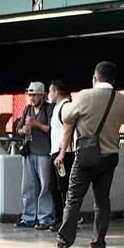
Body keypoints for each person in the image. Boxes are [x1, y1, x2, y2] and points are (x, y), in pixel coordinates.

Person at [50, 61, 124, 248]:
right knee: (102, 200)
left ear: (95, 77)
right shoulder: (121, 99)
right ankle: (99, 243)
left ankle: (63, 242)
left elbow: (66, 115)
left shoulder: (85, 95)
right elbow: (121, 120)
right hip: (110, 156)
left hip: (86, 156)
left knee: (73, 198)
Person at [16, 81, 54, 230]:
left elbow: (51, 129)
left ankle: (44, 217)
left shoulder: (49, 109)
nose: (32, 98)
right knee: (28, 186)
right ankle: (28, 216)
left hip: (44, 152)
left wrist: (35, 124)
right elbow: (18, 128)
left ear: (42, 96)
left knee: (45, 186)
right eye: (30, 95)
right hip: (29, 151)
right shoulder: (27, 109)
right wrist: (23, 130)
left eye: (34, 95)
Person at [48, 80, 75, 232]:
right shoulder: (56, 108)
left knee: (63, 187)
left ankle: (67, 219)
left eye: (51, 91)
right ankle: (57, 217)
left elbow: (67, 130)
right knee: (54, 186)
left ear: (56, 92)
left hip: (62, 153)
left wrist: (62, 152)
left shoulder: (65, 107)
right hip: (54, 152)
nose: (49, 95)